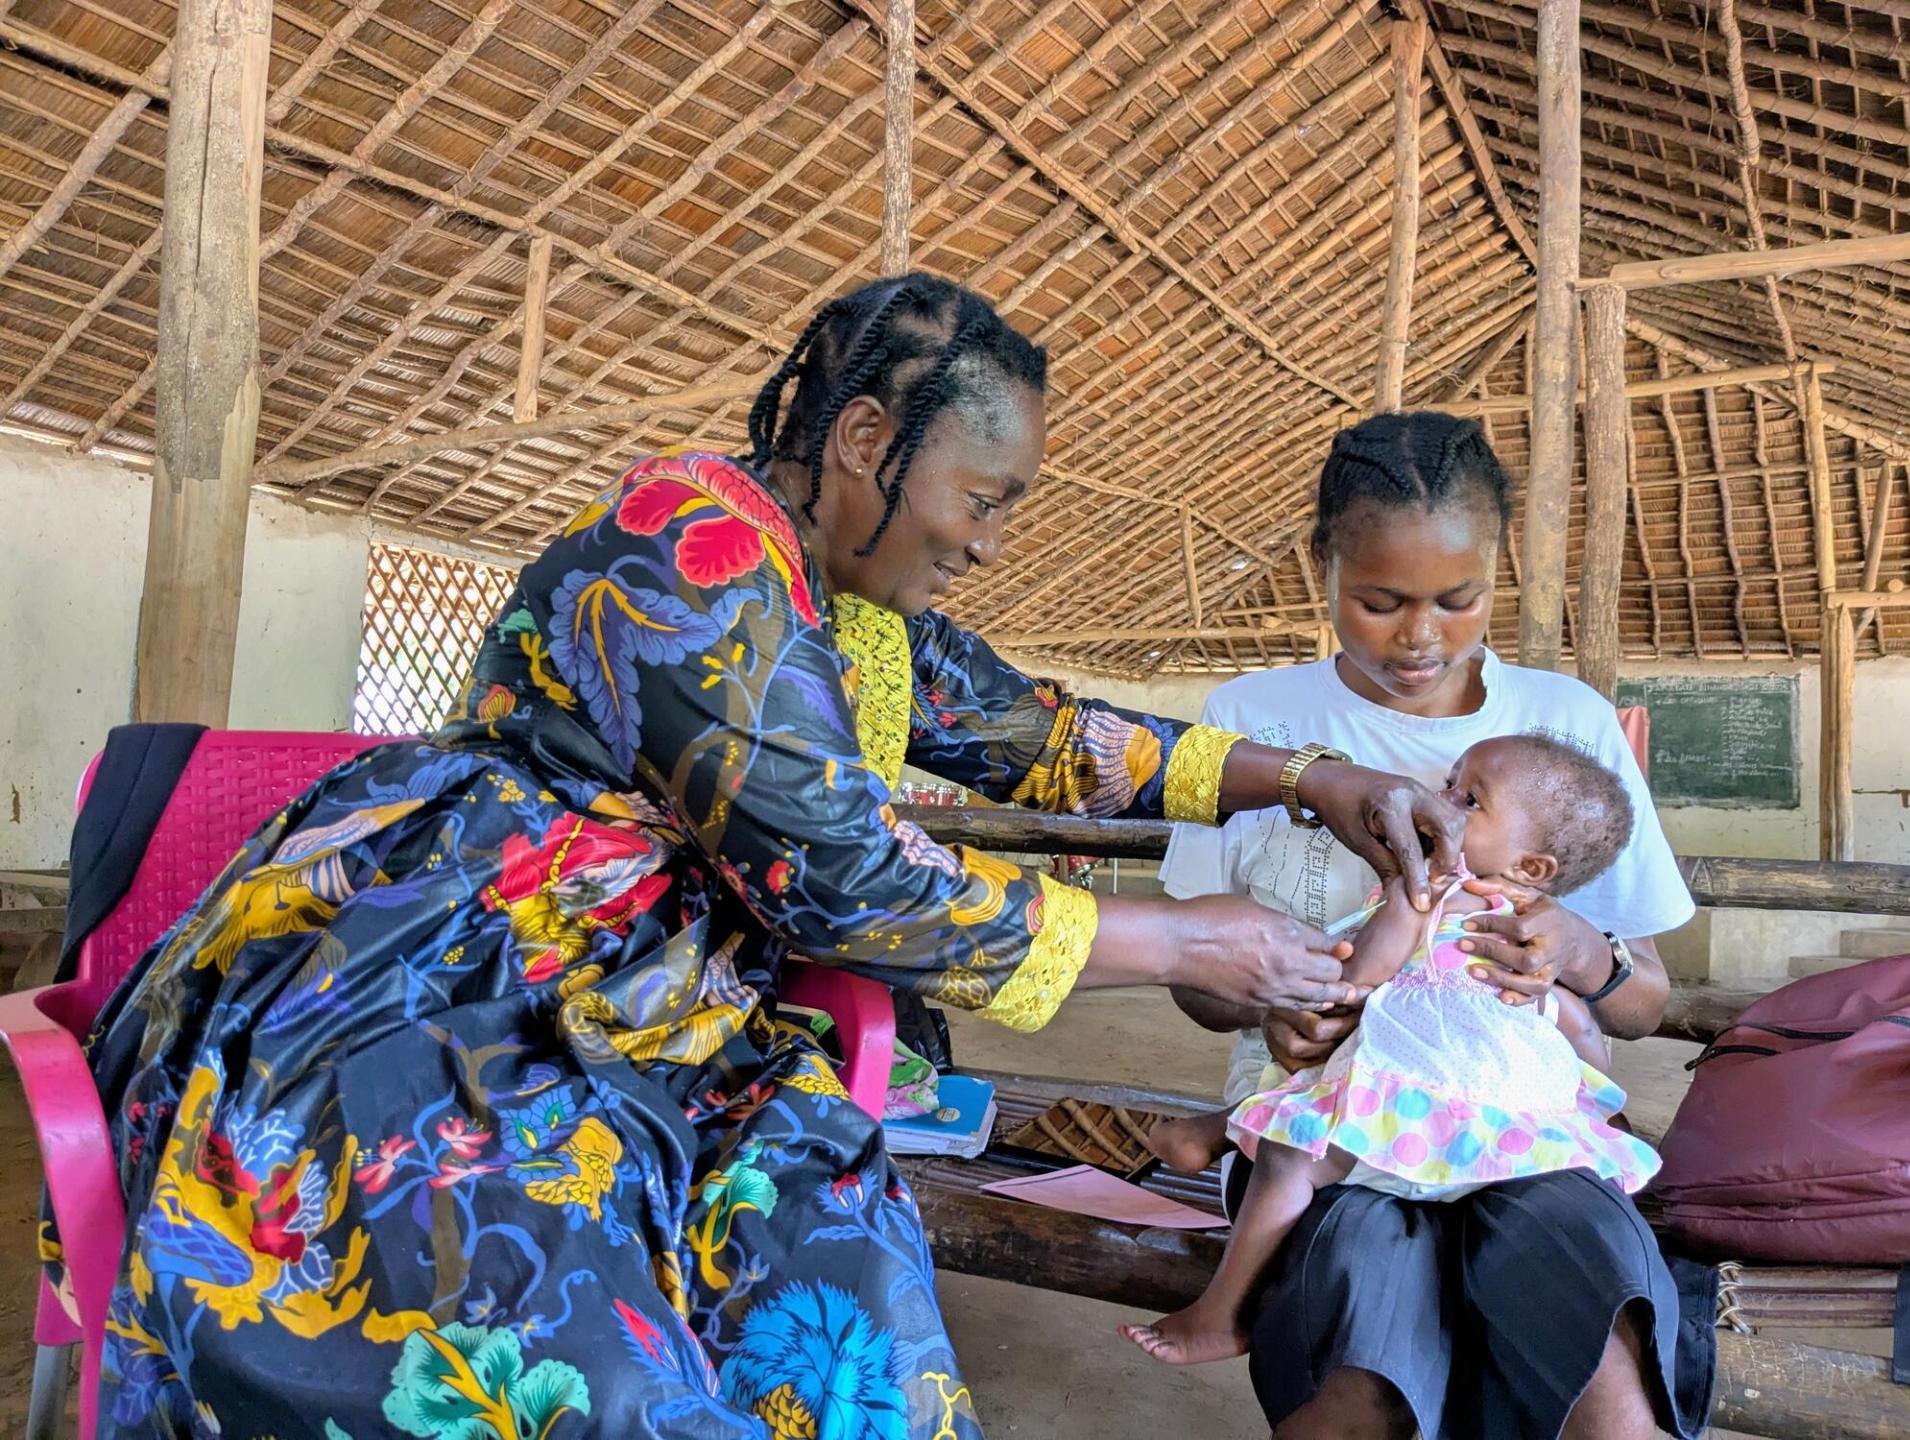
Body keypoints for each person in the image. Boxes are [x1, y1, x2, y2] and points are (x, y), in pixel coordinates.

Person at [65, 276, 1466, 1439]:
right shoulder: (690, 546)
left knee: (848, 1283)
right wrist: (1180, 939)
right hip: (465, 981)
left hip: (673, 1015)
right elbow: (841, 875)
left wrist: (1312, 780)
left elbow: (1043, 735)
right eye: (984, 499)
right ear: (866, 439)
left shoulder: (857, 611)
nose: (988, 543)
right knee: (550, 1337)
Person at [1159, 412, 1715, 1440]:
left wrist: (1582, 954)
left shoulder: (1566, 726)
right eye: (1380, 602)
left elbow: (1642, 1005)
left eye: (1460, 599)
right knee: (1361, 1355)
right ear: (1322, 565)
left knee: (1605, 1355)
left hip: (1524, 1131)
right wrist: (1273, 1005)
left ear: (1498, 571)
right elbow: (1194, 976)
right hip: (1322, 1125)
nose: (1421, 637)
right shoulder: (1251, 720)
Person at [1124, 734, 1660, 1367]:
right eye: (1450, 783)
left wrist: (1382, 916)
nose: (1441, 799)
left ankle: (1222, 1312)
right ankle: (1218, 1131)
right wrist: (1585, 1108)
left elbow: (1361, 976)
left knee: (1292, 1153)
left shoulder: (1427, 890)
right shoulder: (1540, 938)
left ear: (1531, 866)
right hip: (1511, 1145)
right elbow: (1578, 1028)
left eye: (1469, 798)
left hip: (1405, 1116)